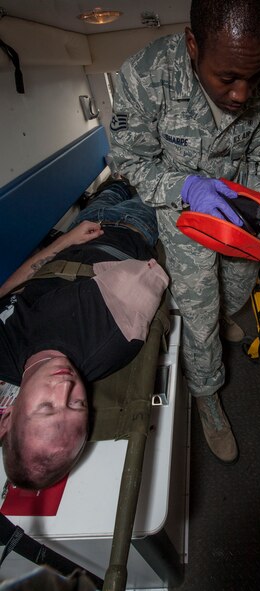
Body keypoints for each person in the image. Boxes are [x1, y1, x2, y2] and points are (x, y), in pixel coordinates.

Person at [108, 0, 260, 463]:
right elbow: (131, 162)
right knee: (198, 307)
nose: (242, 94)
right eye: (228, 78)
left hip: (238, 206)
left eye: (253, 76)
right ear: (193, 45)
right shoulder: (146, 74)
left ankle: (227, 315)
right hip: (181, 206)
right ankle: (209, 394)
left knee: (235, 285)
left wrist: (251, 208)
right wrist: (187, 185)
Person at [0, 180, 168, 489]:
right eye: (78, 405)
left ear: (6, 418)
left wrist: (64, 242)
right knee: (149, 181)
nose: (65, 388)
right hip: (131, 225)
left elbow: (4, 292)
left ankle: (118, 181)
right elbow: (147, 272)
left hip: (77, 229)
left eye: (47, 407)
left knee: (113, 188)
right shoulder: (115, 337)